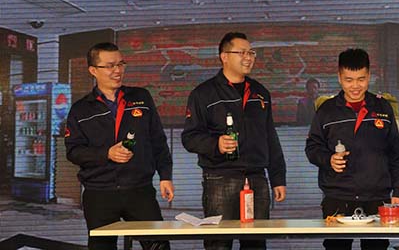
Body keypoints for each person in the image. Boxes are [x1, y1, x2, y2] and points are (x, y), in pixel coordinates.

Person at [181, 32, 286, 250]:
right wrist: (216, 144)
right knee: (219, 244)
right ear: (224, 57)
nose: (248, 57)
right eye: (242, 53)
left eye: (251, 53)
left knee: (256, 244)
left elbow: (270, 137)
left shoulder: (260, 93)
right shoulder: (204, 94)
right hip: (220, 178)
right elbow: (189, 138)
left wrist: (278, 178)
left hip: (257, 179)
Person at [65, 42, 174, 250]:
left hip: (140, 190)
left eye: (121, 64)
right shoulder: (80, 110)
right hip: (99, 193)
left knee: (158, 246)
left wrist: (165, 176)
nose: (117, 70)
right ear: (93, 70)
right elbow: (73, 151)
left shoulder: (141, 97)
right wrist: (106, 153)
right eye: (110, 66)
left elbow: (158, 140)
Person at [305, 48, 399, 250]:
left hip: (377, 199)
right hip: (337, 199)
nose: (355, 86)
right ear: (339, 78)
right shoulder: (326, 111)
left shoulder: (383, 108)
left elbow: (396, 154)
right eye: (349, 80)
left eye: (361, 79)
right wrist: (328, 159)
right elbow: (312, 147)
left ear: (369, 76)